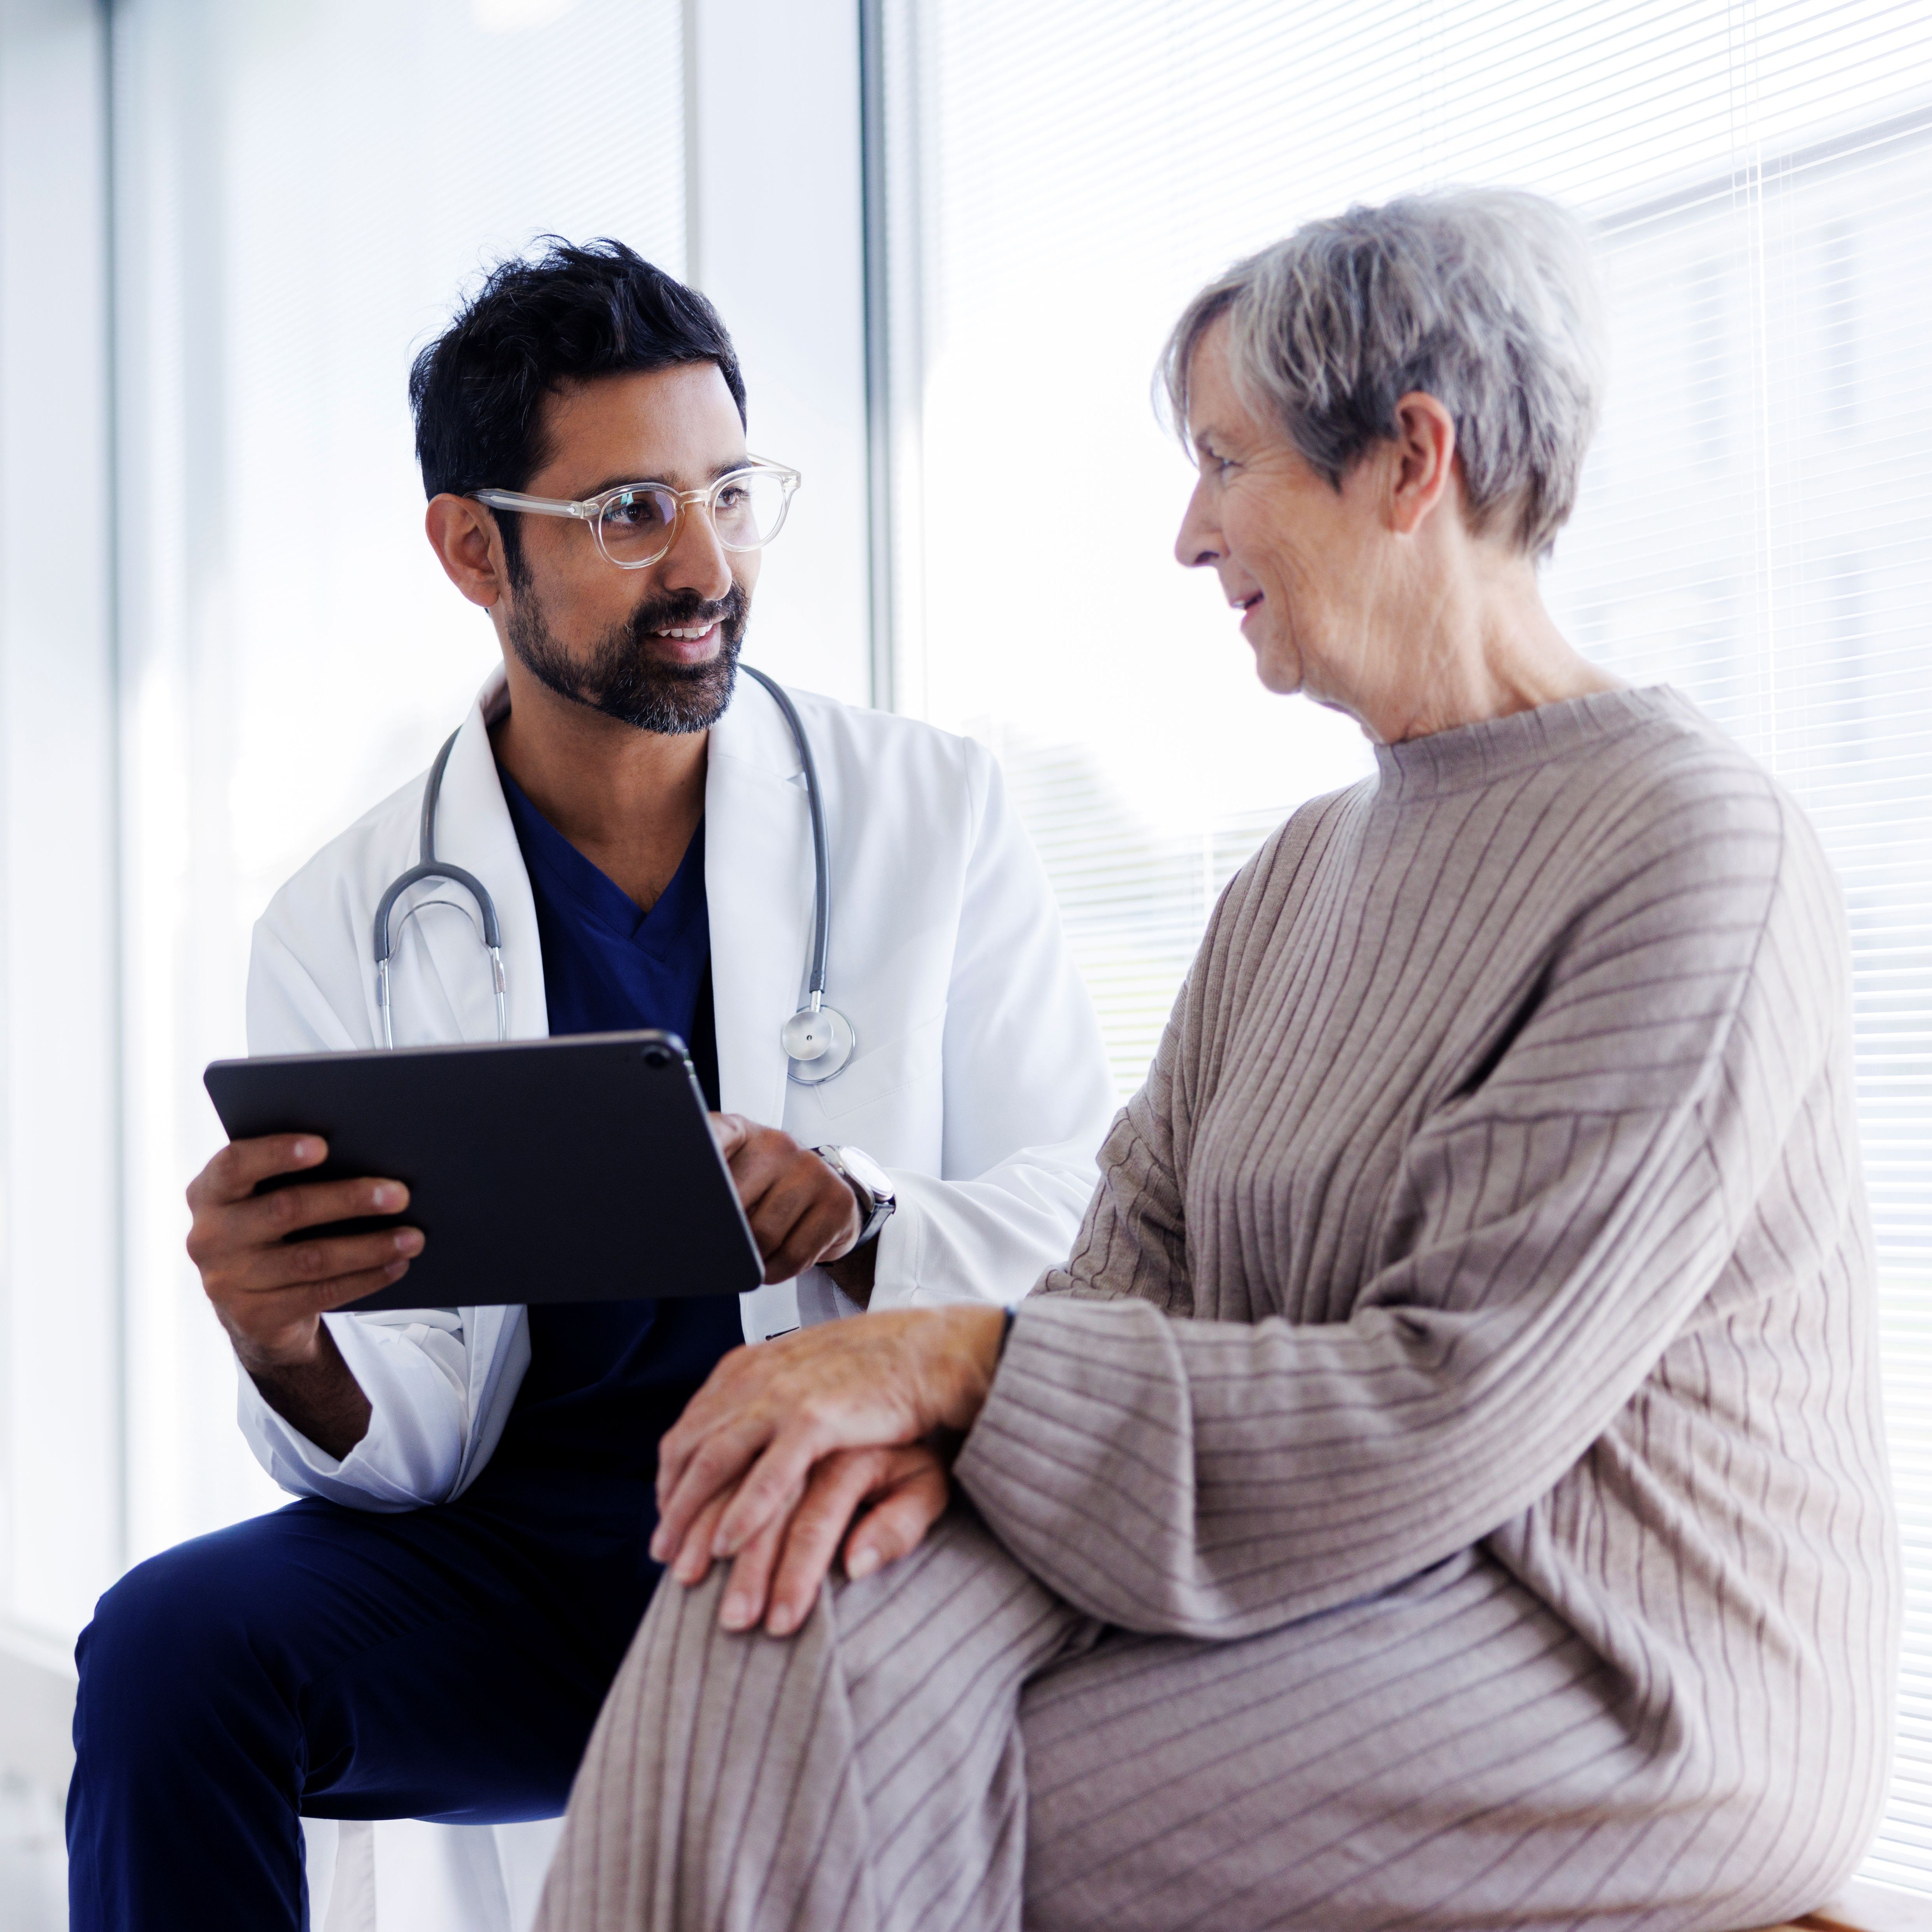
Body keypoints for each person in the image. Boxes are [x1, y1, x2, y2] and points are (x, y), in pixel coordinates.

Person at [533, 192, 1902, 1932]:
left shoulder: (1693, 851)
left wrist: (955, 1372)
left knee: (895, 1785)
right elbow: (1128, 1273)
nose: (1190, 533)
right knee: (768, 1596)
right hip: (1309, 1572)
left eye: (1224, 459)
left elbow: (1446, 1403)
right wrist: (919, 1425)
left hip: (1615, 1664)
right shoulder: (1296, 880)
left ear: (1411, 460)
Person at [64, 239, 1117, 1931]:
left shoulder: (933, 814)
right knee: (171, 1657)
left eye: (729, 492)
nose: (705, 560)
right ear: (475, 549)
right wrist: (285, 1345)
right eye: (629, 512)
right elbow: (399, 1447)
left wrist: (866, 1210)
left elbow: (1089, 1215)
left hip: (827, 1515)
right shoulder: (345, 923)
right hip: (516, 1571)